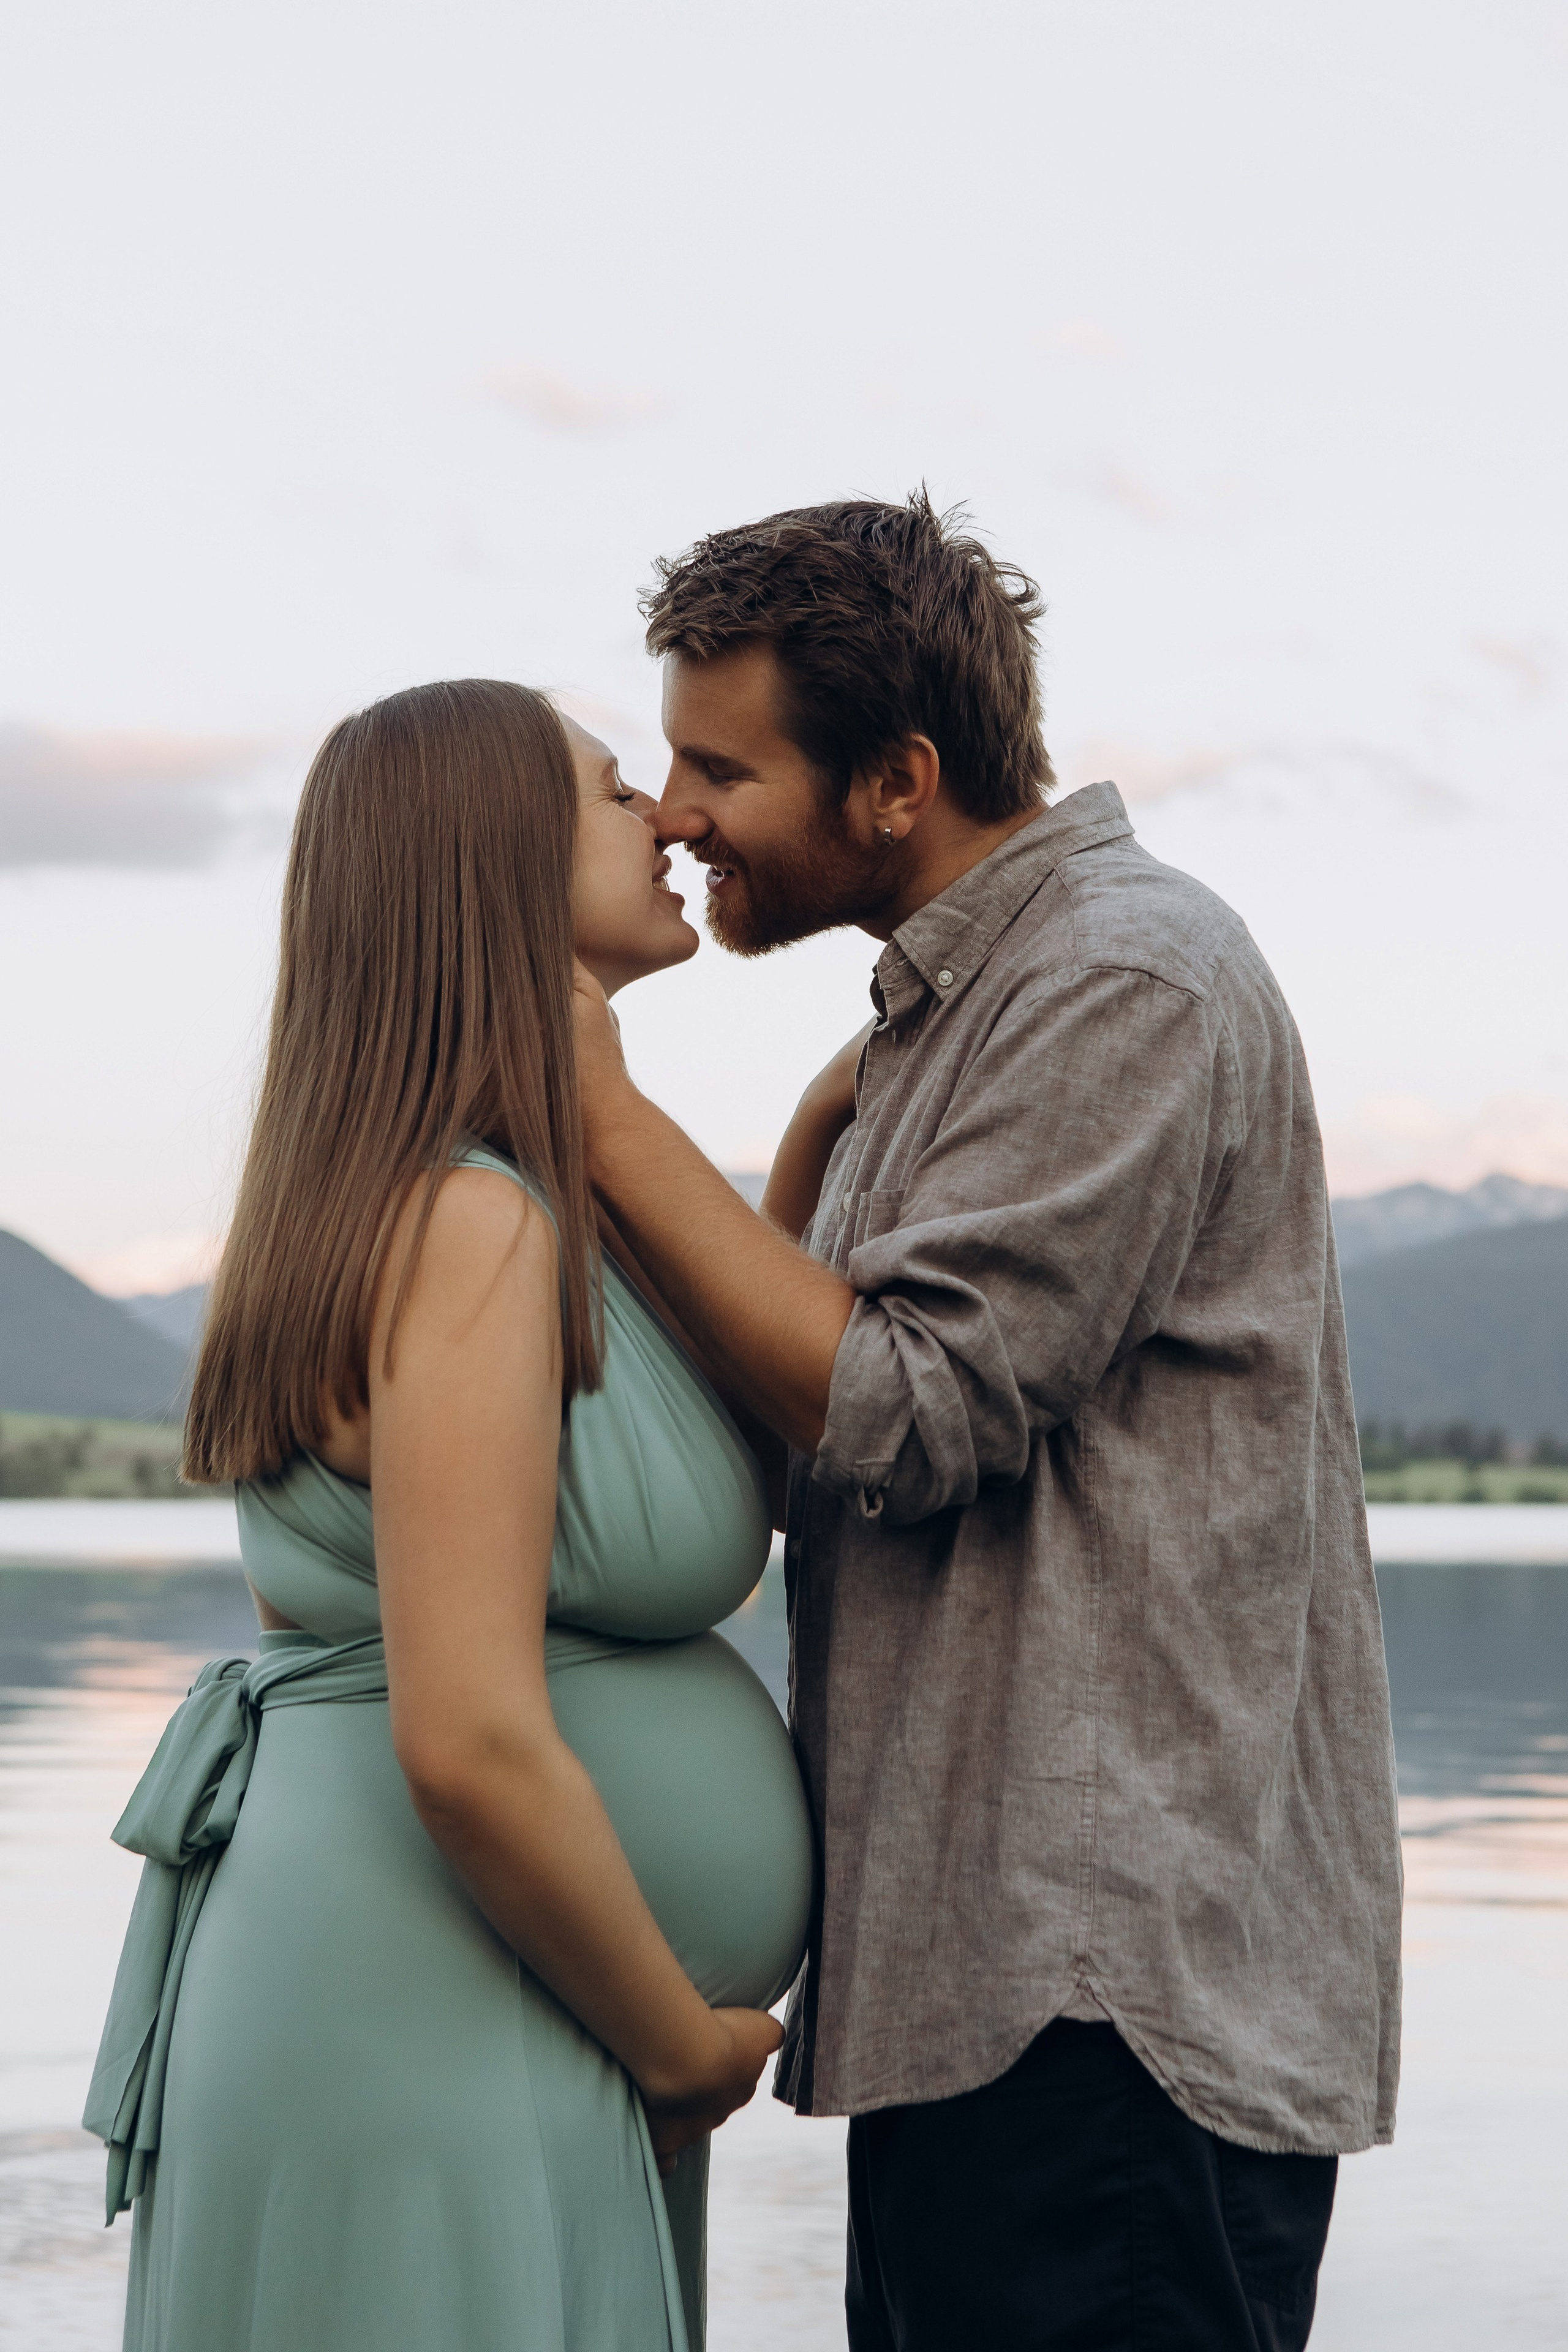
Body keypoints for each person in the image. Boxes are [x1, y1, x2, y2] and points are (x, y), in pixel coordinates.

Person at [569, 494, 1405, 2351]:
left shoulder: (1121, 975)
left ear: (898, 780)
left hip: (1105, 2004)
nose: (679, 810)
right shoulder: (961, 1010)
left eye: (723, 763)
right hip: (1006, 1989)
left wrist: (596, 1104)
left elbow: (909, 1404)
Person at [83, 679, 814, 2352]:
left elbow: (753, 1440)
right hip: (461, 1997)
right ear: (491, 864)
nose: (666, 818)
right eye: (614, 789)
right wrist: (675, 2043)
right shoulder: (473, 1227)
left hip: (476, 1983)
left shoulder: (487, 1198)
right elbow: (467, 1736)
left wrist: (807, 1144)